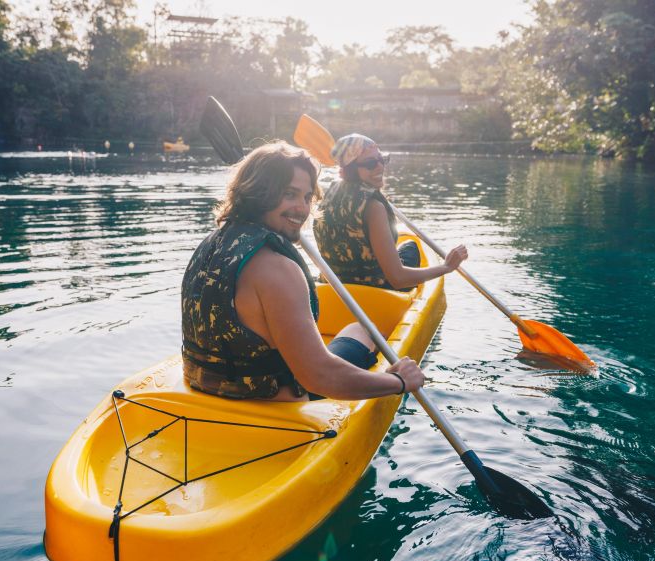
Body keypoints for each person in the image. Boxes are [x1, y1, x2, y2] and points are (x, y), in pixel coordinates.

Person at [181, 141, 424, 401]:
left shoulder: (210, 243)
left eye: (306, 197)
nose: (302, 208)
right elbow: (319, 378)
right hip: (273, 399)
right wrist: (397, 381)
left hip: (203, 385)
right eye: (289, 194)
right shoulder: (278, 270)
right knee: (359, 330)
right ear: (260, 192)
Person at [313, 133, 468, 290]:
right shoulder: (374, 208)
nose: (380, 167)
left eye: (382, 159)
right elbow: (398, 279)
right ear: (351, 169)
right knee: (411, 247)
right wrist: (446, 267)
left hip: (335, 287)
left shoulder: (331, 192)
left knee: (406, 246)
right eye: (370, 163)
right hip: (375, 293)